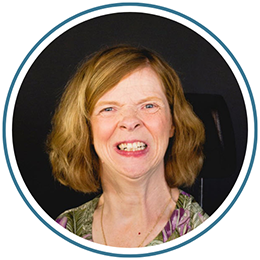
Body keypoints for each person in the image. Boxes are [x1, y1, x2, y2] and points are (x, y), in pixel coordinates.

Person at [47, 45, 208, 247]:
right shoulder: (63, 230)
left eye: (149, 105)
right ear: (86, 129)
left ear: (173, 123)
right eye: (108, 108)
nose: (130, 121)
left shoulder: (205, 234)